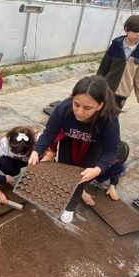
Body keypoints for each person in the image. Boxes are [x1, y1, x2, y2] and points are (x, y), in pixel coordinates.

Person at [28, 75, 121, 223]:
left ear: (100, 105)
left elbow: (111, 149)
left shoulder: (108, 118)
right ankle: (62, 195)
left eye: (87, 108)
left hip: (92, 146)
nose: (79, 112)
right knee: (64, 170)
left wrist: (97, 169)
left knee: (81, 177)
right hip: (69, 141)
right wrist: (36, 151)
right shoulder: (63, 108)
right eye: (76, 104)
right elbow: (49, 133)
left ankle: (70, 207)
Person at [96, 15, 139, 109]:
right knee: (100, 112)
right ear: (126, 30)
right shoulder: (115, 46)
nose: (138, 35)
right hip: (108, 89)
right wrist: (96, 86)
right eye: (135, 31)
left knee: (114, 115)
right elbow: (103, 68)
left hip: (123, 92)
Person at [0, 126, 39, 204]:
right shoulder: (4, 143)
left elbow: (50, 155)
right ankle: (13, 172)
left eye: (21, 153)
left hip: (32, 160)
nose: (19, 155)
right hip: (15, 162)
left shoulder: (39, 140)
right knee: (2, 162)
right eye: (14, 152)